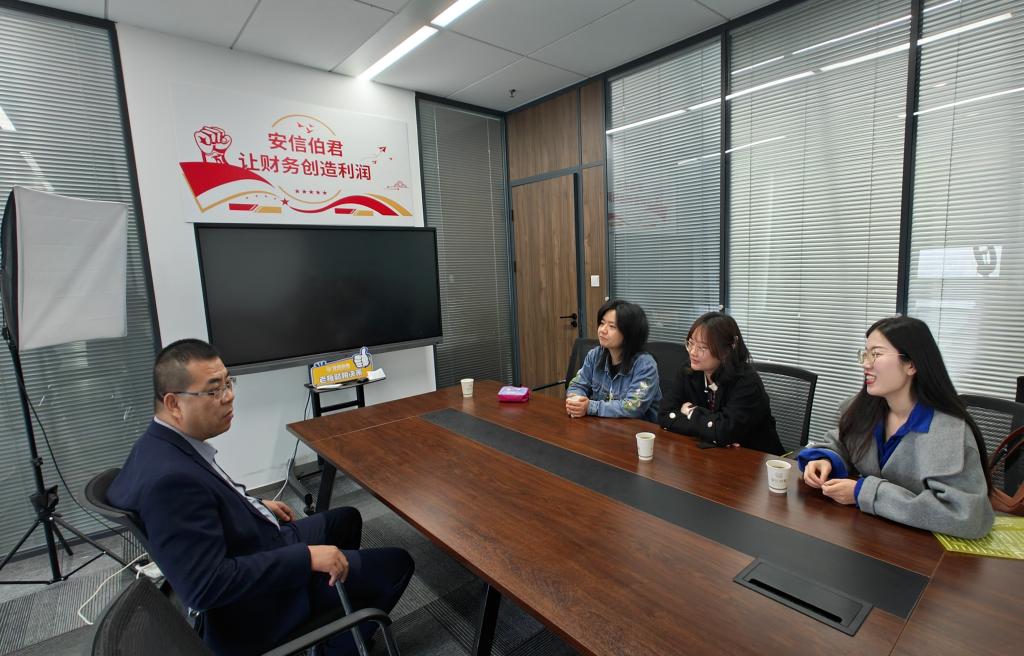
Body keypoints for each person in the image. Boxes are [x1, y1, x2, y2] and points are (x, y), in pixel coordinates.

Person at [109, 339, 414, 656]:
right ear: (174, 403)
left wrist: (252, 505)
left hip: (255, 541)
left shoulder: (157, 444)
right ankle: (336, 645)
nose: (229, 396)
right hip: (257, 604)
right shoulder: (170, 482)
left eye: (228, 383)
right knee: (398, 564)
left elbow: (206, 498)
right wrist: (308, 559)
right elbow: (206, 586)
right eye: (214, 390)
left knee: (346, 519)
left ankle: (339, 607)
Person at [798, 316, 994, 539]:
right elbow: (842, 443)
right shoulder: (866, 408)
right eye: (865, 354)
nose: (866, 364)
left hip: (921, 550)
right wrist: (826, 460)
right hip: (866, 537)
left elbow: (966, 516)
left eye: (876, 354)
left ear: (911, 364)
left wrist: (863, 492)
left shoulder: (948, 430)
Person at [658, 312, 783, 454]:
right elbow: (664, 414)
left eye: (702, 347)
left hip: (756, 459)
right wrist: (713, 431)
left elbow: (724, 431)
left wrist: (691, 412)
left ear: (726, 351)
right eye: (691, 343)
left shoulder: (747, 382)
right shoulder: (689, 371)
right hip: (711, 454)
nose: (692, 352)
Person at [566, 299, 661, 421]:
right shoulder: (595, 355)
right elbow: (577, 384)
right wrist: (576, 401)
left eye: (612, 326)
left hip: (637, 429)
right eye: (602, 323)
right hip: (601, 425)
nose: (602, 330)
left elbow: (632, 407)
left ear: (629, 333)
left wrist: (590, 407)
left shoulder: (645, 365)